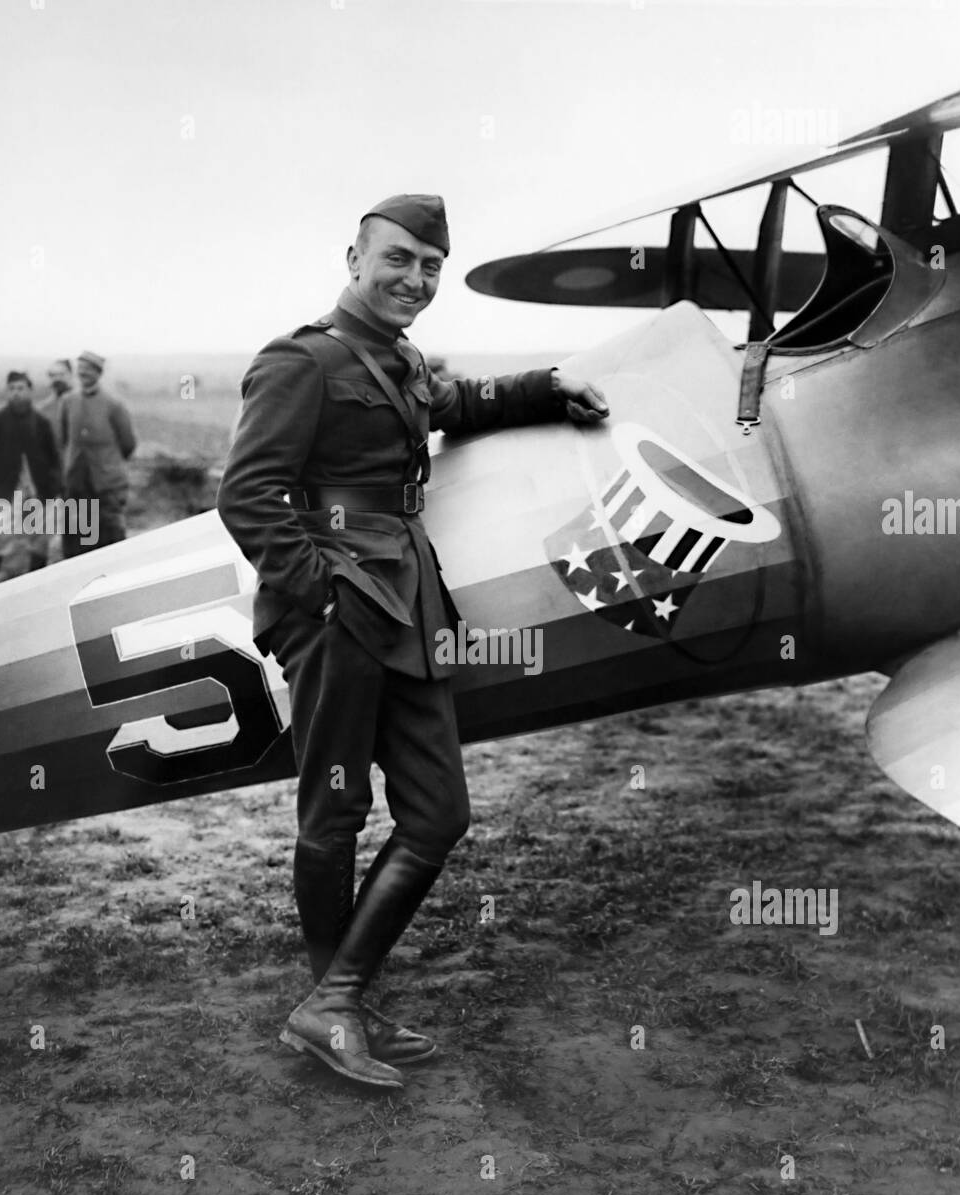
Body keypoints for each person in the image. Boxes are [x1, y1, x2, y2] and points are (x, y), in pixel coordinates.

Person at [217, 193, 609, 1090]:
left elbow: (450, 400)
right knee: (336, 815)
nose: (416, 279)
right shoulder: (301, 360)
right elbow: (248, 494)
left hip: (409, 611)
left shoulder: (397, 360)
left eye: (431, 266)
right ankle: (336, 1003)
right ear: (354, 258)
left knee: (438, 814)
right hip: (341, 616)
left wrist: (545, 386)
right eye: (398, 259)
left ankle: (334, 1004)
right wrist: (321, 595)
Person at [0, 371, 62, 586]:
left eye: (21, 389)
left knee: (39, 540)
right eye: (12, 389)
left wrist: (57, 484)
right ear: (7, 392)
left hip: (37, 491)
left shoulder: (41, 423)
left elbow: (54, 457)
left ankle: (36, 582)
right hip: (5, 491)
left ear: (30, 391)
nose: (16, 393)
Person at [59, 350, 136, 558]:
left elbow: (128, 444)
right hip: (77, 484)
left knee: (111, 543)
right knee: (78, 542)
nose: (83, 373)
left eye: (88, 369)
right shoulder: (68, 402)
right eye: (80, 368)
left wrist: (108, 465)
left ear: (98, 373)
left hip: (106, 486)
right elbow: (65, 439)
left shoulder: (113, 405)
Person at [38, 358, 74, 451]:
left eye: (61, 374)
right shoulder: (43, 409)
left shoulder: (82, 404)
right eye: (53, 375)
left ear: (71, 375)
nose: (57, 379)